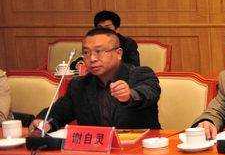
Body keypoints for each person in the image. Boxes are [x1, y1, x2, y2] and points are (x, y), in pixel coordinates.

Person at [29, 27, 161, 133]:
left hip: (139, 150)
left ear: (119, 53)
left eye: (99, 51)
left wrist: (129, 95)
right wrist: (43, 121)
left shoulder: (141, 74)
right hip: (95, 152)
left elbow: (148, 94)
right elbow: (59, 111)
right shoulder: (79, 85)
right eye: (86, 53)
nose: (92, 58)